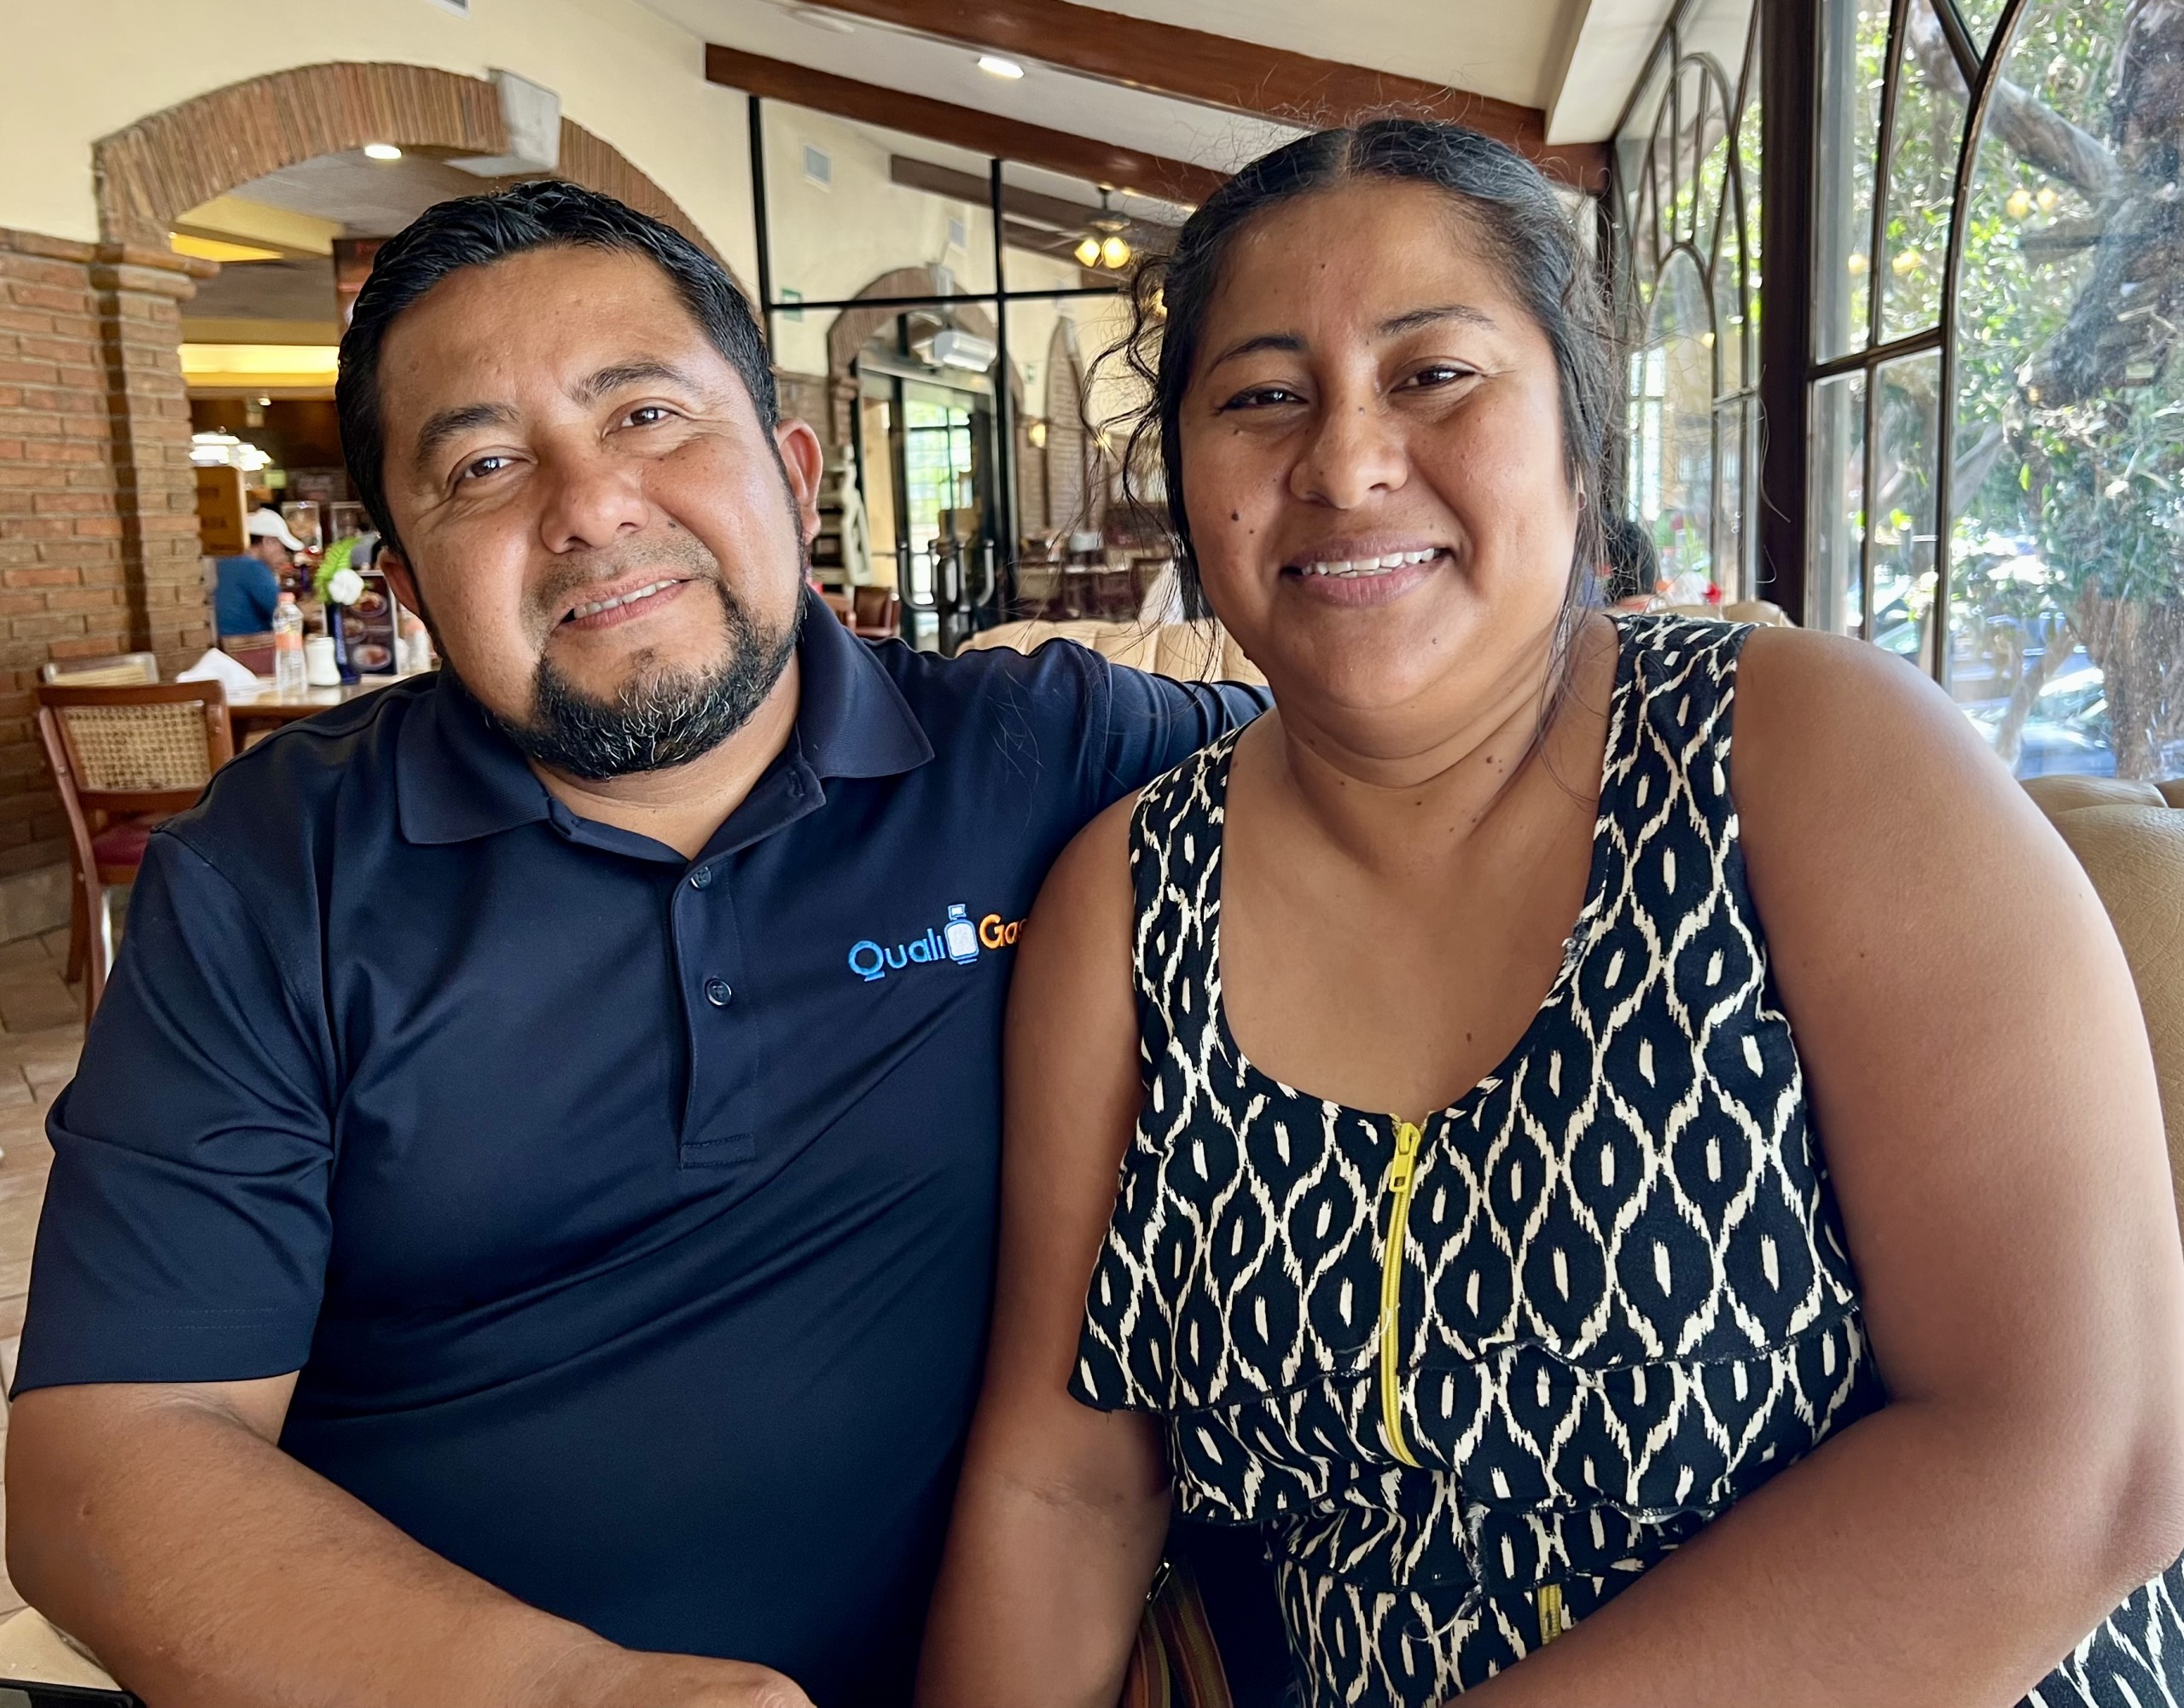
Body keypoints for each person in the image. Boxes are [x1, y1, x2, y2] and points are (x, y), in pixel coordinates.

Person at [920, 119, 2184, 1707]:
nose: (1345, 462)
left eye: (1435, 373)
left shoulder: (1810, 753)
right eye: (1262, 396)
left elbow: (2081, 1457)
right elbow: (1066, 1490)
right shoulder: (1128, 901)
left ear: (1582, 439)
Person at [4, 183, 1262, 1708]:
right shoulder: (276, 874)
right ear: (404, 583)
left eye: (649, 415)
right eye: (482, 464)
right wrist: (574, 1694)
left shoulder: (1038, 752)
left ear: (794, 475)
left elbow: (1408, 742)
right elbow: (111, 1453)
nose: (592, 506)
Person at [212, 507, 305, 635]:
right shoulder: (252, 568)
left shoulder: (228, 562)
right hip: (251, 643)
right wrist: (307, 611)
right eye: (283, 548)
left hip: (227, 641)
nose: (284, 556)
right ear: (268, 541)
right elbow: (284, 615)